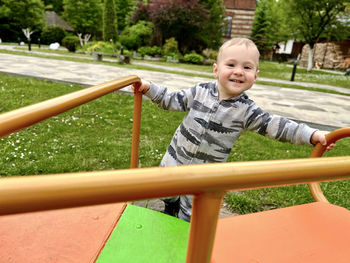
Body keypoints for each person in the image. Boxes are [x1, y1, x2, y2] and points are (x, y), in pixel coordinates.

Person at [133, 37, 334, 222]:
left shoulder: (246, 111)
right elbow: (172, 100)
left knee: (190, 215)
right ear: (216, 70)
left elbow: (278, 126)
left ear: (255, 76)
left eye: (247, 67)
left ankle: (183, 243)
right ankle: (170, 208)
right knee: (167, 194)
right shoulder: (200, 91)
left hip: (204, 176)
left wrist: (312, 134)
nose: (238, 71)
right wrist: (150, 88)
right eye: (231, 65)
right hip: (175, 162)